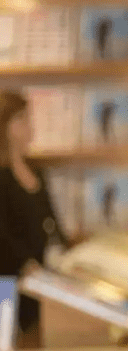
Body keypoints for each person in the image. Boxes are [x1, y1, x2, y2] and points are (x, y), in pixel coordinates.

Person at [0, 91, 73, 348]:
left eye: (28, 118)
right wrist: (25, 263)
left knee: (37, 339)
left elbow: (52, 222)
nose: (28, 126)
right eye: (20, 119)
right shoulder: (2, 177)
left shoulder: (37, 172)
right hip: (7, 283)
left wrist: (70, 258)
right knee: (6, 341)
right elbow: (2, 234)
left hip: (39, 283)